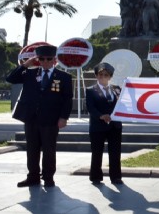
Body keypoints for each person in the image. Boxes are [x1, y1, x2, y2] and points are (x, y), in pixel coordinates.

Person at [7, 44, 73, 188]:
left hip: (51, 119)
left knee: (49, 149)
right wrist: (25, 65)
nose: (45, 62)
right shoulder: (30, 73)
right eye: (42, 59)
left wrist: (64, 117)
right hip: (31, 118)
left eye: (49, 59)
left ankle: (48, 177)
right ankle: (33, 177)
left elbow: (67, 99)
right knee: (32, 149)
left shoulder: (64, 77)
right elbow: (11, 79)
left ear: (54, 60)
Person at [86, 62, 124, 185]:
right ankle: (96, 176)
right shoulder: (91, 90)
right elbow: (90, 108)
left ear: (110, 76)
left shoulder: (117, 89)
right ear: (96, 76)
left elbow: (122, 104)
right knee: (97, 152)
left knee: (115, 152)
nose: (103, 77)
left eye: (106, 75)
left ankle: (116, 177)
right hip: (98, 125)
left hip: (115, 125)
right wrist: (101, 116)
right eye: (100, 74)